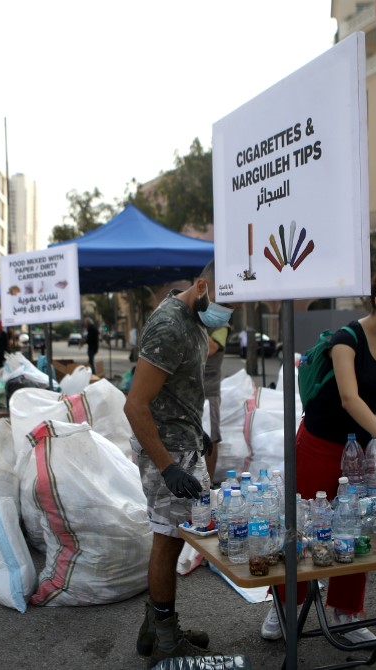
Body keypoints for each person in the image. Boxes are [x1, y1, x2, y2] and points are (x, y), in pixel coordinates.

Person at [261, 255, 376, 642]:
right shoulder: (345, 340)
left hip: (360, 453)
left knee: (356, 526)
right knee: (301, 531)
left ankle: (346, 612)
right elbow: (350, 399)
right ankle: (282, 607)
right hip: (319, 445)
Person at [124, 260, 228, 666]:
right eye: (222, 299)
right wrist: (167, 466)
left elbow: (180, 385)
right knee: (167, 540)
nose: (226, 314)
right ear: (201, 285)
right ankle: (166, 640)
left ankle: (155, 628)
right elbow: (135, 405)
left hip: (183, 439)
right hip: (164, 446)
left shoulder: (199, 318)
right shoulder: (170, 325)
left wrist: (196, 427)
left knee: (172, 536)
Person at [203, 325, 228, 480]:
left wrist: (197, 324)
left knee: (211, 437)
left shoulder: (221, 328)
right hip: (189, 390)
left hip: (209, 392)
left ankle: (210, 482)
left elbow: (211, 349)